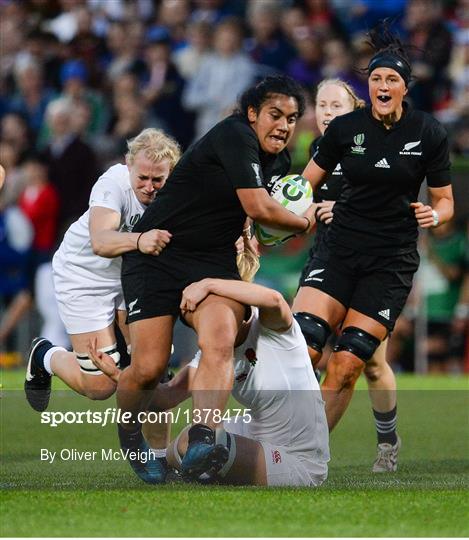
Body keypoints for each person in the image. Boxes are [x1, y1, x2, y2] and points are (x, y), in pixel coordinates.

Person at [117, 75, 315, 483]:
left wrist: (252, 237)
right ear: (252, 113)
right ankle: (130, 431)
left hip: (212, 261)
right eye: (275, 115)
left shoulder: (276, 161)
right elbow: (258, 206)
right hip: (158, 254)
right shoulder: (234, 135)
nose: (283, 125)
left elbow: (252, 217)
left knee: (220, 339)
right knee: (149, 367)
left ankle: (205, 435)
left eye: (292, 118)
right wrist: (302, 222)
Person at [295, 23, 453, 472]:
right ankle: (279, 438)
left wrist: (435, 215)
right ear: (369, 85)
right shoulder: (344, 131)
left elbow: (444, 201)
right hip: (338, 251)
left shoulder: (429, 133)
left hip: (389, 261)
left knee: (349, 365)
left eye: (392, 79)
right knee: (302, 347)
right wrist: (280, 216)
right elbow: (303, 187)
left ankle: (305, 456)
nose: (383, 85)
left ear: (404, 88)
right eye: (377, 78)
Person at [89, 242, 329, 486]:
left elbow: (275, 300)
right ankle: (196, 471)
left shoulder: (272, 326)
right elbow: (165, 398)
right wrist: (123, 376)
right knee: (187, 443)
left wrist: (208, 284)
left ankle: (206, 473)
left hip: (299, 460)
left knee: (204, 446)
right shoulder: (214, 353)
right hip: (257, 432)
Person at [24, 128, 181, 483]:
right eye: (143, 177)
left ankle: (160, 460)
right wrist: (142, 240)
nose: (150, 187)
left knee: (154, 366)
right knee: (100, 387)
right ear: (128, 166)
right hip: (85, 275)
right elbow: (101, 241)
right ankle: (45, 355)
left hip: (135, 275)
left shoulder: (176, 189)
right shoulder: (112, 183)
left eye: (159, 179)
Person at [293, 78, 403, 472]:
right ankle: (296, 443)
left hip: (378, 263)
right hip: (332, 257)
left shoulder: (378, 143)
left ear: (354, 109)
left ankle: (388, 440)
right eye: (320, 104)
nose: (325, 112)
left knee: (370, 364)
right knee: (303, 349)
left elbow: (397, 204)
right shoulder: (319, 149)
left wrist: (346, 211)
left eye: (335, 106)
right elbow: (307, 204)